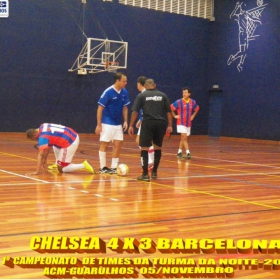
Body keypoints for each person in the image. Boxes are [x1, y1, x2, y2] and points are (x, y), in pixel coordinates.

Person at [128, 78, 172, 182]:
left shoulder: (142, 95)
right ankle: (155, 172)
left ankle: (145, 175)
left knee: (144, 148)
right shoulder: (163, 95)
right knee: (157, 147)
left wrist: (131, 125)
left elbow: (135, 111)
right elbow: (168, 112)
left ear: (145, 86)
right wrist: (170, 125)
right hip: (160, 123)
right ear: (155, 85)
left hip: (148, 123)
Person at [95, 72, 130, 174]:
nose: (125, 83)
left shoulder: (124, 92)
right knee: (105, 143)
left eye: (126, 81)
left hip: (118, 123)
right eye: (124, 81)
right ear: (117, 81)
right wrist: (99, 124)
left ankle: (114, 167)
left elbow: (125, 108)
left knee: (118, 144)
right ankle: (103, 167)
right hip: (107, 122)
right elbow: (100, 108)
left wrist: (126, 121)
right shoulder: (108, 92)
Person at [26, 123, 94, 175]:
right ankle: (57, 163)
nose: (36, 140)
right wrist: (44, 160)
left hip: (70, 141)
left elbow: (40, 155)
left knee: (61, 169)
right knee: (53, 143)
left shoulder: (42, 137)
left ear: (34, 135)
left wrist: (36, 171)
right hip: (70, 133)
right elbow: (48, 146)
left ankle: (84, 165)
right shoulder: (42, 126)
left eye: (34, 139)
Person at [170, 87, 199, 159]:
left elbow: (197, 108)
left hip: (188, 123)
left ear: (189, 94)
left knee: (183, 139)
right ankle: (188, 152)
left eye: (185, 92)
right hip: (181, 122)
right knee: (184, 137)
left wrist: (193, 116)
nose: (184, 94)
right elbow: (170, 107)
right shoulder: (179, 102)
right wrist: (174, 115)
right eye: (183, 93)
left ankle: (179, 152)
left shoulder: (192, 102)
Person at [135, 76, 154, 171]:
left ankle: (150, 161)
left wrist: (142, 120)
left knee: (140, 141)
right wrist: (140, 120)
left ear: (139, 84)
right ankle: (151, 160)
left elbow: (145, 110)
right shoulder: (148, 94)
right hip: (148, 120)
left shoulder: (143, 95)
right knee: (146, 141)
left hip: (146, 121)